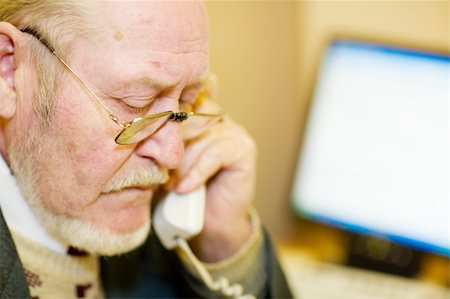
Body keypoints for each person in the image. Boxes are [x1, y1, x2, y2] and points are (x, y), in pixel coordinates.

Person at [0, 1, 292, 298]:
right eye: (135, 103)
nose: (172, 155)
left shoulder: (157, 230)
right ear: (9, 70)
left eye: (188, 100)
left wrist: (222, 245)